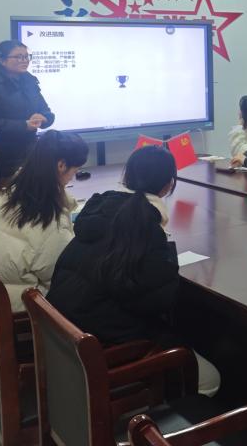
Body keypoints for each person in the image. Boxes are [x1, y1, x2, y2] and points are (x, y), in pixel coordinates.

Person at [46, 146, 220, 396]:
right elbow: (159, 302)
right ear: (168, 185)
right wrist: (166, 253)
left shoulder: (99, 210)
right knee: (210, 378)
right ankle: (159, 419)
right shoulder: (145, 227)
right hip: (101, 348)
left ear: (126, 177)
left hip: (63, 336)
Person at [0, 130, 87, 310]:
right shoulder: (49, 219)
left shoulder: (11, 194)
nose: (74, 175)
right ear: (61, 165)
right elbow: (60, 275)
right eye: (76, 170)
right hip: (17, 307)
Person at [0, 40, 55, 179]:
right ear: (2, 60)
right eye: (18, 57)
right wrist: (23, 125)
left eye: (26, 56)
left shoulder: (30, 82)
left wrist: (44, 118)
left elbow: (47, 112)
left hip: (30, 152)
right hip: (2, 155)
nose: (25, 60)